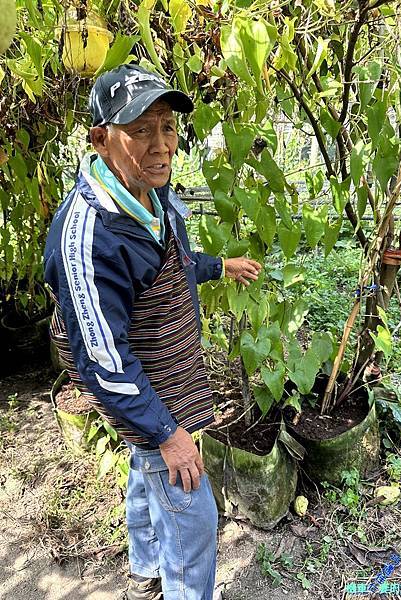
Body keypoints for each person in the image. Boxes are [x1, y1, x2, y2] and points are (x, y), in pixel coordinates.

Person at [44, 64, 262, 600]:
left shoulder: (148, 191)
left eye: (167, 126)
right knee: (193, 513)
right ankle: (181, 585)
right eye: (141, 130)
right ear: (101, 139)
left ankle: (144, 565)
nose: (162, 145)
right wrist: (169, 436)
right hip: (144, 386)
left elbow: (172, 259)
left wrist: (218, 266)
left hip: (162, 371)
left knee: (145, 469)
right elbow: (102, 359)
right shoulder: (88, 236)